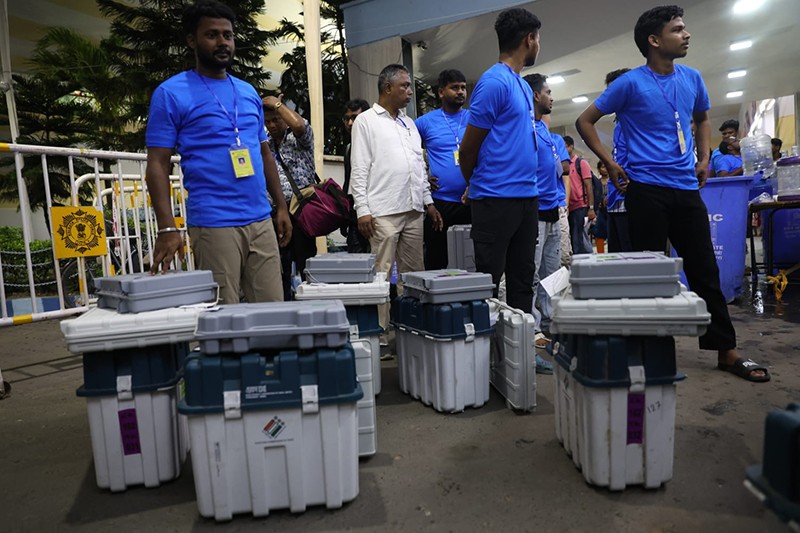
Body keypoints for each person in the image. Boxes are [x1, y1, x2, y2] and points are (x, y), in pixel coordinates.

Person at [575, 4, 769, 382]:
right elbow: (585, 121)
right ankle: (647, 352)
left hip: (684, 188)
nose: (686, 34)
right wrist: (610, 165)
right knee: (646, 274)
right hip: (645, 189)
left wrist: (704, 156)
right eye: (678, 29)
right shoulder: (630, 83)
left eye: (684, 28)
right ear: (654, 40)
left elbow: (703, 119)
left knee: (704, 269)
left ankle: (726, 352)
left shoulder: (693, 78)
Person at [145, 0, 290, 304]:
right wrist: (167, 227)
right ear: (191, 40)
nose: (223, 42)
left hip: (260, 221)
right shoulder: (171, 93)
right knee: (225, 320)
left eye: (228, 35)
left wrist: (280, 207)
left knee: (273, 313)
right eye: (212, 34)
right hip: (214, 223)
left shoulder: (248, 92)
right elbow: (157, 164)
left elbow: (264, 153)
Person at [350, 64, 443, 336]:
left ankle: (411, 329)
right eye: (404, 85)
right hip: (382, 212)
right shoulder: (367, 120)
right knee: (381, 275)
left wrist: (429, 202)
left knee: (413, 275)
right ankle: (378, 334)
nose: (410, 91)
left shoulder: (409, 123)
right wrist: (362, 211)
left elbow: (418, 168)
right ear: (387, 87)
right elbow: (360, 168)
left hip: (414, 210)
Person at [459, 7, 542, 314]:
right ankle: (484, 355)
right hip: (495, 200)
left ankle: (520, 351)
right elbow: (468, 150)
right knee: (487, 282)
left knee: (523, 278)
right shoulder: (494, 82)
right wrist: (477, 184)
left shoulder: (520, 83)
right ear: (530, 39)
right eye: (538, 39)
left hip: (526, 198)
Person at [262, 94, 318, 300]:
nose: (272, 125)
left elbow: (300, 126)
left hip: (301, 212)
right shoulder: (265, 146)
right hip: (276, 213)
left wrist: (277, 105)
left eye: (276, 119)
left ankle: (311, 308)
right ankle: (284, 307)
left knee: (307, 266)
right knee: (279, 269)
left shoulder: (300, 139)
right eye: (267, 122)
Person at [416, 69, 472, 269]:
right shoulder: (424, 123)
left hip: (472, 200)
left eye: (463, 88)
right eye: (454, 87)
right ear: (441, 92)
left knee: (472, 259)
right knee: (437, 260)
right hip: (440, 204)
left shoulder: (474, 119)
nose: (460, 92)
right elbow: (409, 154)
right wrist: (423, 178)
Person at [523, 73, 560, 374]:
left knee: (553, 273)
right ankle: (533, 327)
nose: (551, 97)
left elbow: (558, 169)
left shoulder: (546, 131)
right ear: (536, 95)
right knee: (532, 274)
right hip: (533, 211)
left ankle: (550, 323)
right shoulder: (525, 128)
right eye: (548, 92)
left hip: (553, 210)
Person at [604, 68, 633, 253]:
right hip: (616, 199)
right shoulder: (618, 123)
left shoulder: (638, 119)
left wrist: (635, 181)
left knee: (633, 255)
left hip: (631, 197)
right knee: (616, 254)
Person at [342, 98, 371, 253]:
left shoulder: (376, 143)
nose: (351, 123)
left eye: (355, 117)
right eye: (347, 119)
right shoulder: (349, 148)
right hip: (354, 214)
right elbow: (349, 183)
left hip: (375, 212)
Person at [564, 135, 595, 255]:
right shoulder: (564, 165)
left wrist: (591, 208)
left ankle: (583, 266)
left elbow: (589, 186)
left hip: (580, 207)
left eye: (565, 146)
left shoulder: (580, 163)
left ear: (571, 147)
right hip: (568, 208)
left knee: (579, 240)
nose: (563, 149)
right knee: (573, 239)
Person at [551, 131, 573, 266]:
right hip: (538, 204)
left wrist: (566, 203)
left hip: (558, 203)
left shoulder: (556, 140)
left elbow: (566, 174)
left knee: (564, 254)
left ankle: (562, 284)